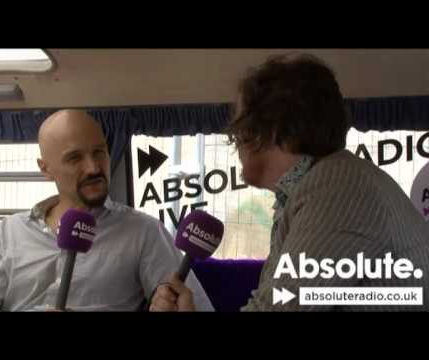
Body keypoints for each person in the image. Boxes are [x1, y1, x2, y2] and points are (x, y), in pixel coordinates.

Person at [149, 53, 429, 312]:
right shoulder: (320, 185)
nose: (233, 135)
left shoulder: (335, 187)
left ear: (272, 128)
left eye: (239, 124)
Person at [0, 109, 213, 311]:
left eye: (99, 152)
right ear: (45, 168)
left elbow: (196, 307)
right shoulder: (8, 232)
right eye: (74, 158)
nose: (93, 168)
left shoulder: (143, 231)